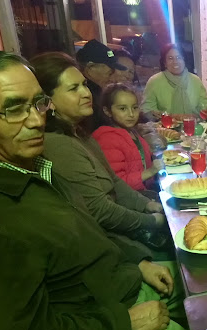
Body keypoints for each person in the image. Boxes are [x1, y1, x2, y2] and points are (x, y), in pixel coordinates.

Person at [0, 48, 188, 330]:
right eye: (14, 110)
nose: (36, 120)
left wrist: (138, 263)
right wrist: (124, 322)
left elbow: (92, 231)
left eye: (38, 103)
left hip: (121, 284)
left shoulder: (34, 164)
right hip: (101, 324)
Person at [30, 52, 168, 250]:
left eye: (84, 85)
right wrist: (153, 221)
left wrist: (148, 205)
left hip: (121, 227)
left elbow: (114, 182)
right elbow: (99, 210)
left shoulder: (80, 135)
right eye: (73, 88)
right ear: (48, 101)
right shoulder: (58, 145)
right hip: (110, 243)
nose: (86, 93)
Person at [93, 83, 164, 191]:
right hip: (132, 200)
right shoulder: (108, 140)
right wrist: (150, 171)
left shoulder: (131, 132)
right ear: (107, 111)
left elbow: (140, 158)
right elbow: (118, 183)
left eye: (135, 108)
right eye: (122, 109)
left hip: (145, 190)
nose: (131, 114)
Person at [141, 43, 207, 118]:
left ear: (184, 60)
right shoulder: (154, 81)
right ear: (164, 63)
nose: (175, 61)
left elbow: (206, 107)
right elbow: (146, 111)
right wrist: (173, 117)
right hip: (164, 127)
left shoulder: (195, 80)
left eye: (179, 57)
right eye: (170, 58)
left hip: (194, 126)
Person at [76, 39, 127, 120]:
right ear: (90, 68)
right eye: (110, 73)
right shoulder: (88, 96)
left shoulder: (97, 92)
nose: (113, 78)